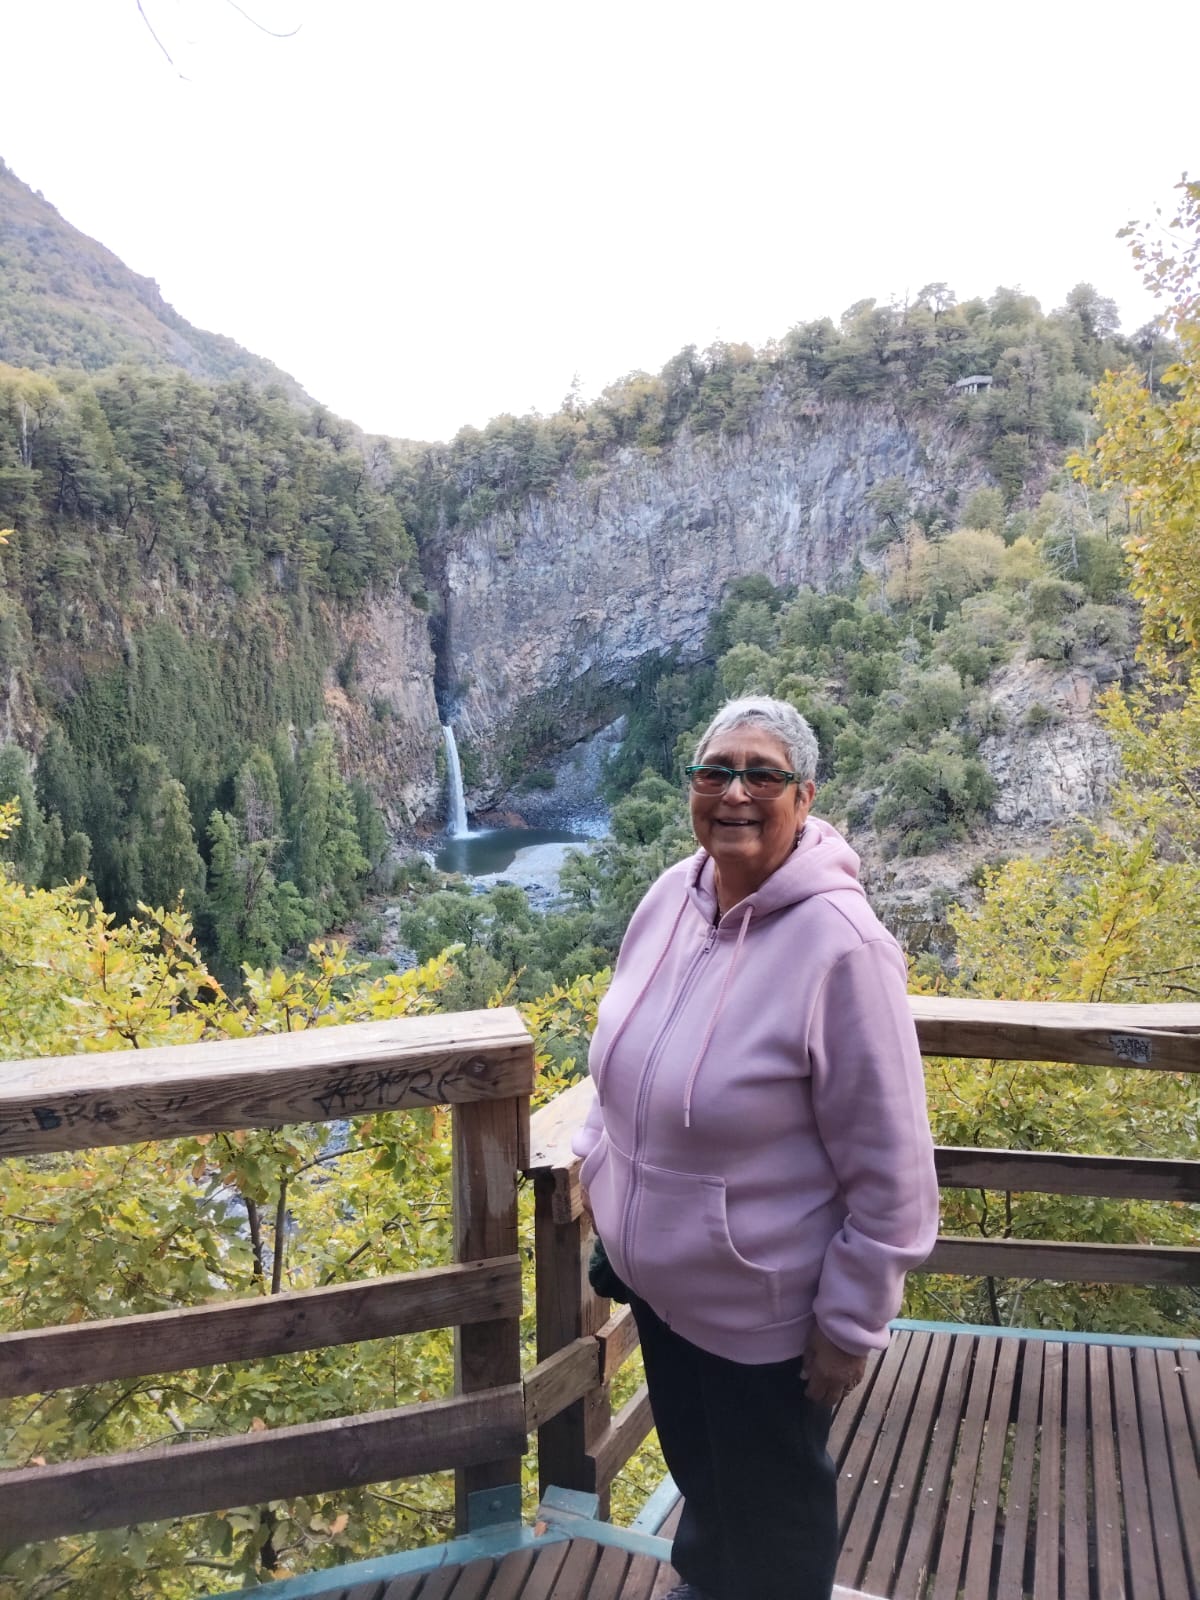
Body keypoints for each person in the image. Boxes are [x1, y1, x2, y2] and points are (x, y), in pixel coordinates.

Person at [573, 695, 939, 1600]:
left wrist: (848, 1326)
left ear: (804, 797)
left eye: (762, 775)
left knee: (775, 1522)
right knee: (705, 1482)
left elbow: (895, 1175)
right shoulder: (672, 894)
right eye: (715, 771)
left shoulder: (843, 949)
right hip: (660, 1292)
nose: (734, 792)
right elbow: (620, 1061)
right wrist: (601, 1177)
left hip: (762, 1315)